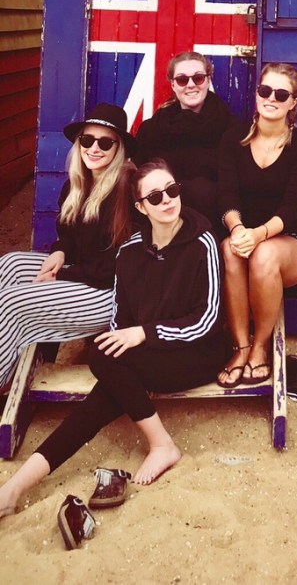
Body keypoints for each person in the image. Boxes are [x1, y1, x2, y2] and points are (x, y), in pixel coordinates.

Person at [0, 159, 223, 519]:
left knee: (105, 361)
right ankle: (13, 489)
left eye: (172, 190)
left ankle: (161, 444)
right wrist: (133, 337)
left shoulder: (203, 241)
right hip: (149, 355)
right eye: (155, 196)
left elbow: (207, 319)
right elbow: (121, 320)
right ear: (141, 207)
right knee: (104, 373)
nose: (167, 200)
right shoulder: (130, 251)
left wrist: (144, 333)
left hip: (197, 352)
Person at [0, 102, 135, 392]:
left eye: (105, 143)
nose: (94, 148)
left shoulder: (124, 191)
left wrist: (59, 276)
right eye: (87, 140)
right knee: (10, 264)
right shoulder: (76, 186)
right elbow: (71, 239)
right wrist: (60, 251)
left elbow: (110, 269)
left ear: (118, 148)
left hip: (108, 294)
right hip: (83, 274)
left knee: (11, 304)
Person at [217, 63, 297, 388]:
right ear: (256, 94)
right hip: (244, 235)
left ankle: (260, 346)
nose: (271, 98)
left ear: (293, 102)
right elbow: (226, 195)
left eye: (281, 94)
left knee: (263, 255)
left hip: (287, 245)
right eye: (265, 90)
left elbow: (292, 207)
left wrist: (258, 235)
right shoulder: (233, 139)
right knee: (229, 249)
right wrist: (237, 230)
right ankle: (240, 347)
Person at [134, 51, 232, 230]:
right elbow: (138, 181)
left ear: (208, 80)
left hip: (213, 226)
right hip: (160, 227)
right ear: (173, 84)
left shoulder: (229, 128)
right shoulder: (152, 130)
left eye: (198, 78)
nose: (191, 85)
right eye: (182, 80)